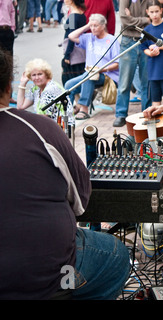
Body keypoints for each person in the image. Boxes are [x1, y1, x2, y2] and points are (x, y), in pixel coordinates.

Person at [0, 47, 130, 300]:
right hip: (48, 272)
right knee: (116, 256)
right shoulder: (40, 129)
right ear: (8, 87)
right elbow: (80, 200)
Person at [65, 13, 120, 120]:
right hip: (90, 73)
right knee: (69, 85)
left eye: (96, 26)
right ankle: (68, 111)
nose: (93, 29)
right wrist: (87, 26)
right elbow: (71, 36)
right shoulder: (89, 37)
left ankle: (84, 109)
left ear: (103, 26)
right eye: (91, 26)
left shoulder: (112, 40)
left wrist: (103, 69)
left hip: (108, 75)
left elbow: (117, 64)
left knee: (90, 77)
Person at [112, 0, 151, 127]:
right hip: (128, 40)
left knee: (146, 81)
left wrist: (133, 19)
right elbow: (125, 20)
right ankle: (121, 114)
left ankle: (147, 112)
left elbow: (154, 17)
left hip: (146, 39)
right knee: (124, 82)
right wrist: (145, 19)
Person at [16, 58, 75, 127]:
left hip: (63, 127)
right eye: (33, 75)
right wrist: (22, 84)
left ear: (46, 74)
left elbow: (43, 117)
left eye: (40, 74)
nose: (37, 77)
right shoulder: (36, 88)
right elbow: (20, 106)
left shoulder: (50, 89)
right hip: (50, 125)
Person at [61, 0, 87, 86]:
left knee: (69, 80)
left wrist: (67, 54)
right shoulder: (81, 14)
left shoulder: (73, 17)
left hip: (74, 51)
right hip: (81, 49)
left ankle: (76, 99)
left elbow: (71, 36)